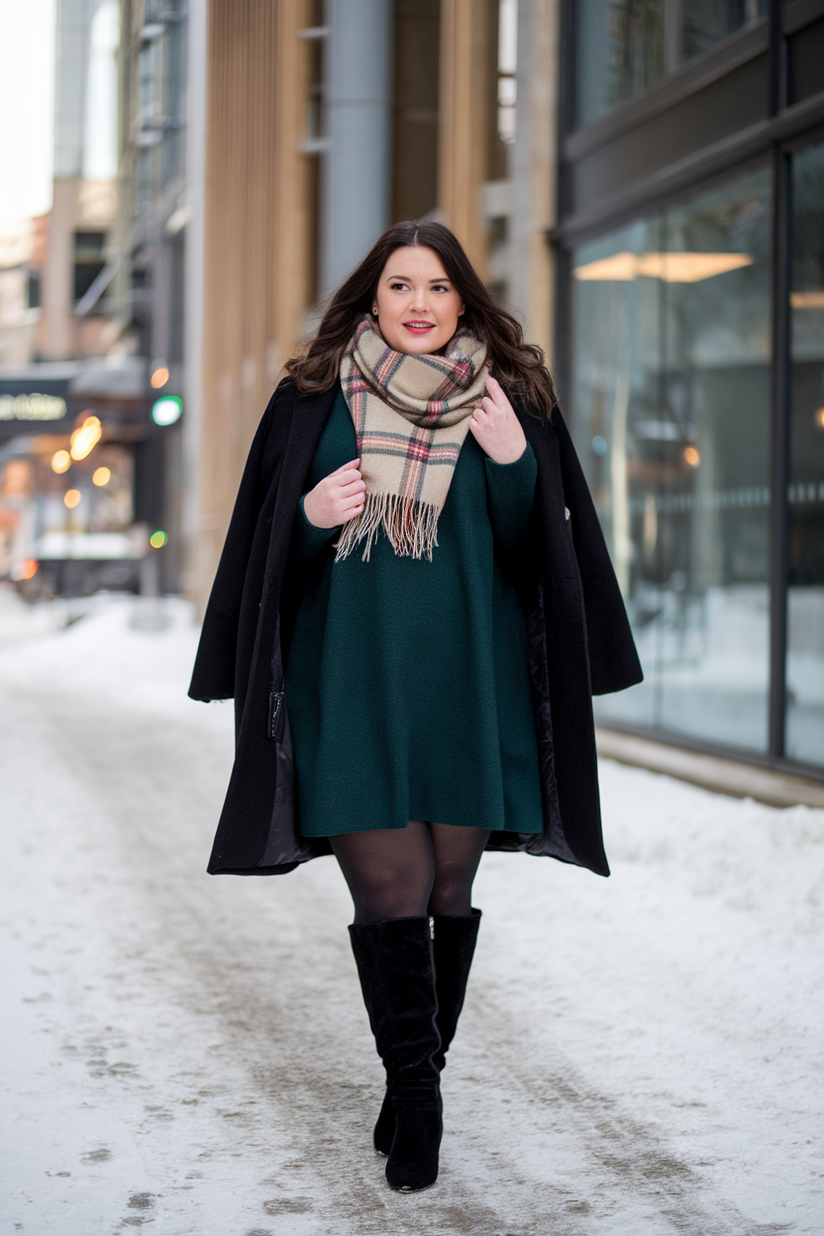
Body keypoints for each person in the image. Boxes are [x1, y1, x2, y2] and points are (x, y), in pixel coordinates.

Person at [189, 220, 642, 1193]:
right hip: (348, 684)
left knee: (447, 891)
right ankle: (422, 1099)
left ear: (464, 300)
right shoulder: (310, 398)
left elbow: (537, 561)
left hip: (468, 687)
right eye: (400, 286)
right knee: (388, 892)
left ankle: (410, 1078)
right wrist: (308, 520)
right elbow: (269, 549)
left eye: (438, 287)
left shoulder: (512, 399)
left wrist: (517, 463)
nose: (420, 304)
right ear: (372, 297)